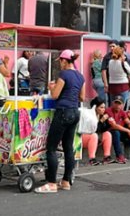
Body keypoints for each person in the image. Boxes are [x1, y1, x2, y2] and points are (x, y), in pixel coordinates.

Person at [34, 50, 85, 193]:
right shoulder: (80, 76)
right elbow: (82, 97)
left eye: (60, 62)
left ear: (64, 61)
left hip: (63, 112)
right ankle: (66, 181)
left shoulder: (64, 74)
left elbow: (55, 95)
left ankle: (51, 183)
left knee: (51, 148)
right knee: (69, 148)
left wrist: (52, 87)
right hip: (75, 112)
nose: (60, 65)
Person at [105, 96, 130, 163]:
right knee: (116, 132)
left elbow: (129, 123)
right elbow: (114, 126)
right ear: (112, 103)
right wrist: (128, 131)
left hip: (121, 131)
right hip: (110, 132)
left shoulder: (122, 112)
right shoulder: (108, 111)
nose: (117, 105)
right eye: (116, 103)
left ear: (122, 105)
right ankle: (119, 156)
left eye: (119, 104)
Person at [81, 97, 112, 165]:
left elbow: (102, 130)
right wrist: (101, 121)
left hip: (96, 139)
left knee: (107, 134)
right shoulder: (89, 116)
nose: (103, 109)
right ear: (95, 107)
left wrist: (110, 124)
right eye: (101, 107)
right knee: (94, 135)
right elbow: (93, 130)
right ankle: (92, 159)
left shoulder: (101, 116)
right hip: (84, 137)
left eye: (104, 107)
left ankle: (107, 156)